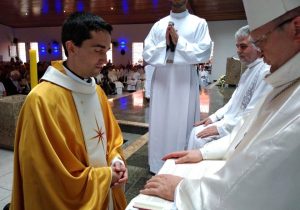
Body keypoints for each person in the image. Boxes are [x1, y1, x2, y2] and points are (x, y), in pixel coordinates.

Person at [140, 0, 300, 209]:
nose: (259, 51)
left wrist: (183, 190)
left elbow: (257, 179)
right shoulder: (283, 78)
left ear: (296, 29)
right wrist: (204, 153)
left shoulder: (198, 23)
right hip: (163, 82)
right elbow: (248, 132)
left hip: (183, 84)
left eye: (260, 40)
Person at [10, 12, 127, 210]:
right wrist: (106, 176)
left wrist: (116, 160)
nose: (105, 59)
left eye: (106, 51)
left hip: (105, 195)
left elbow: (111, 139)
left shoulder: (96, 91)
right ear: (71, 47)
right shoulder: (41, 100)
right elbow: (46, 174)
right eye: (98, 50)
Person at [143, 0, 212, 173]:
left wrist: (179, 42)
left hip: (184, 80)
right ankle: (157, 163)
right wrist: (166, 43)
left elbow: (203, 52)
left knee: (183, 120)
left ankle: (179, 164)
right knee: (160, 121)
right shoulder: (159, 25)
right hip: (162, 80)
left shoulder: (199, 23)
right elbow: (147, 53)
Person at [187, 25, 272, 151]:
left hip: (241, 128)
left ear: (258, 47)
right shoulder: (249, 71)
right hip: (231, 122)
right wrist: (213, 118)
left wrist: (221, 129)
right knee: (196, 131)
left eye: (243, 46)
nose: (238, 50)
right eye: (237, 46)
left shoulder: (265, 71)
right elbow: (233, 102)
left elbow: (253, 112)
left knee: (199, 138)